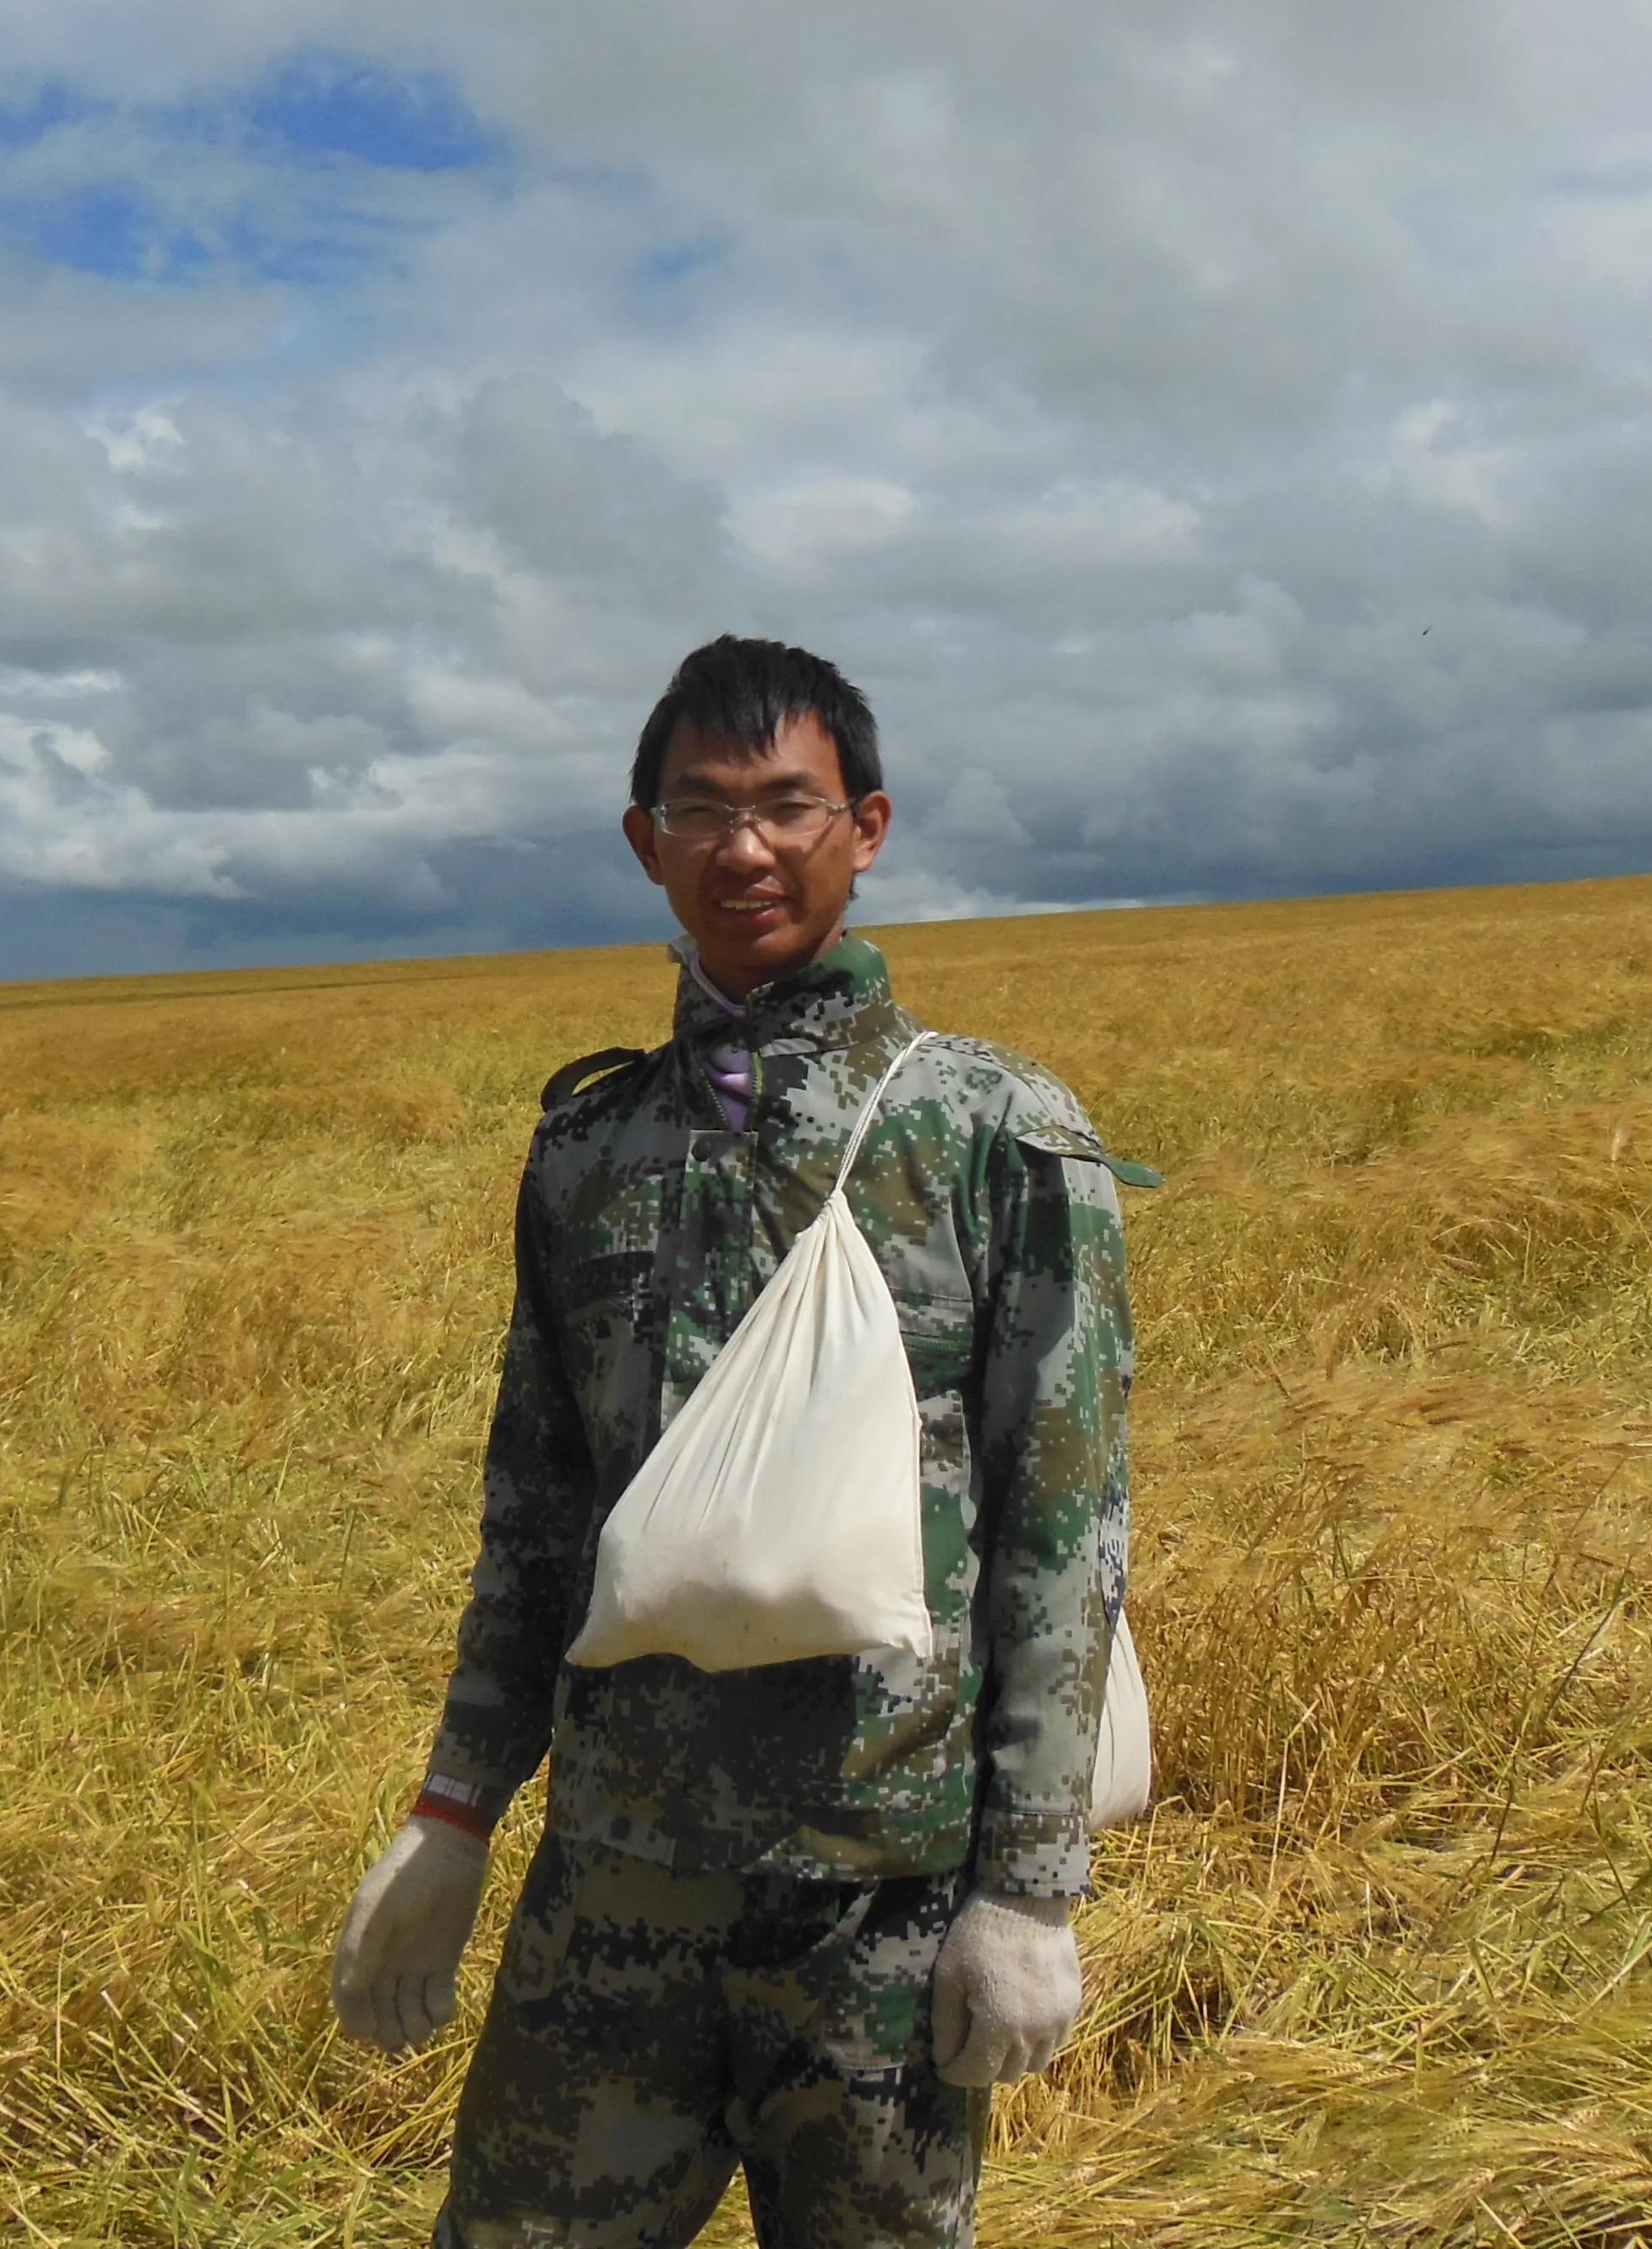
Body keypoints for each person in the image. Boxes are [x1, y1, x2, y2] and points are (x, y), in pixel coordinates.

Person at [331, 634, 1136, 2249]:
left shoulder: (991, 1134)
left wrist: (1030, 1892)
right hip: (617, 1876)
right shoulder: (589, 1147)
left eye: (787, 805)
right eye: (700, 809)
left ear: (869, 827)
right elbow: (537, 1515)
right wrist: (454, 1812)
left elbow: (1067, 1520)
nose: (745, 848)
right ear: (647, 842)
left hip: (886, 1895)